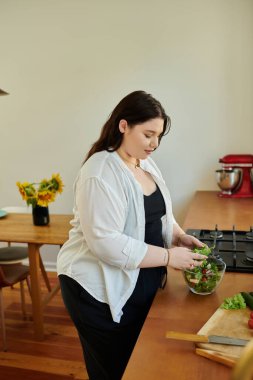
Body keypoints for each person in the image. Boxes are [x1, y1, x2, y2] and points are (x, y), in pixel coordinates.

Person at [57, 90, 206, 380]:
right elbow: (106, 243)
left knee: (137, 365)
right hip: (96, 291)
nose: (155, 144)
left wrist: (176, 235)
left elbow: (156, 212)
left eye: (159, 136)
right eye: (148, 134)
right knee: (114, 371)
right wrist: (167, 256)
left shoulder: (143, 161)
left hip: (139, 282)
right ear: (123, 126)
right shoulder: (99, 172)